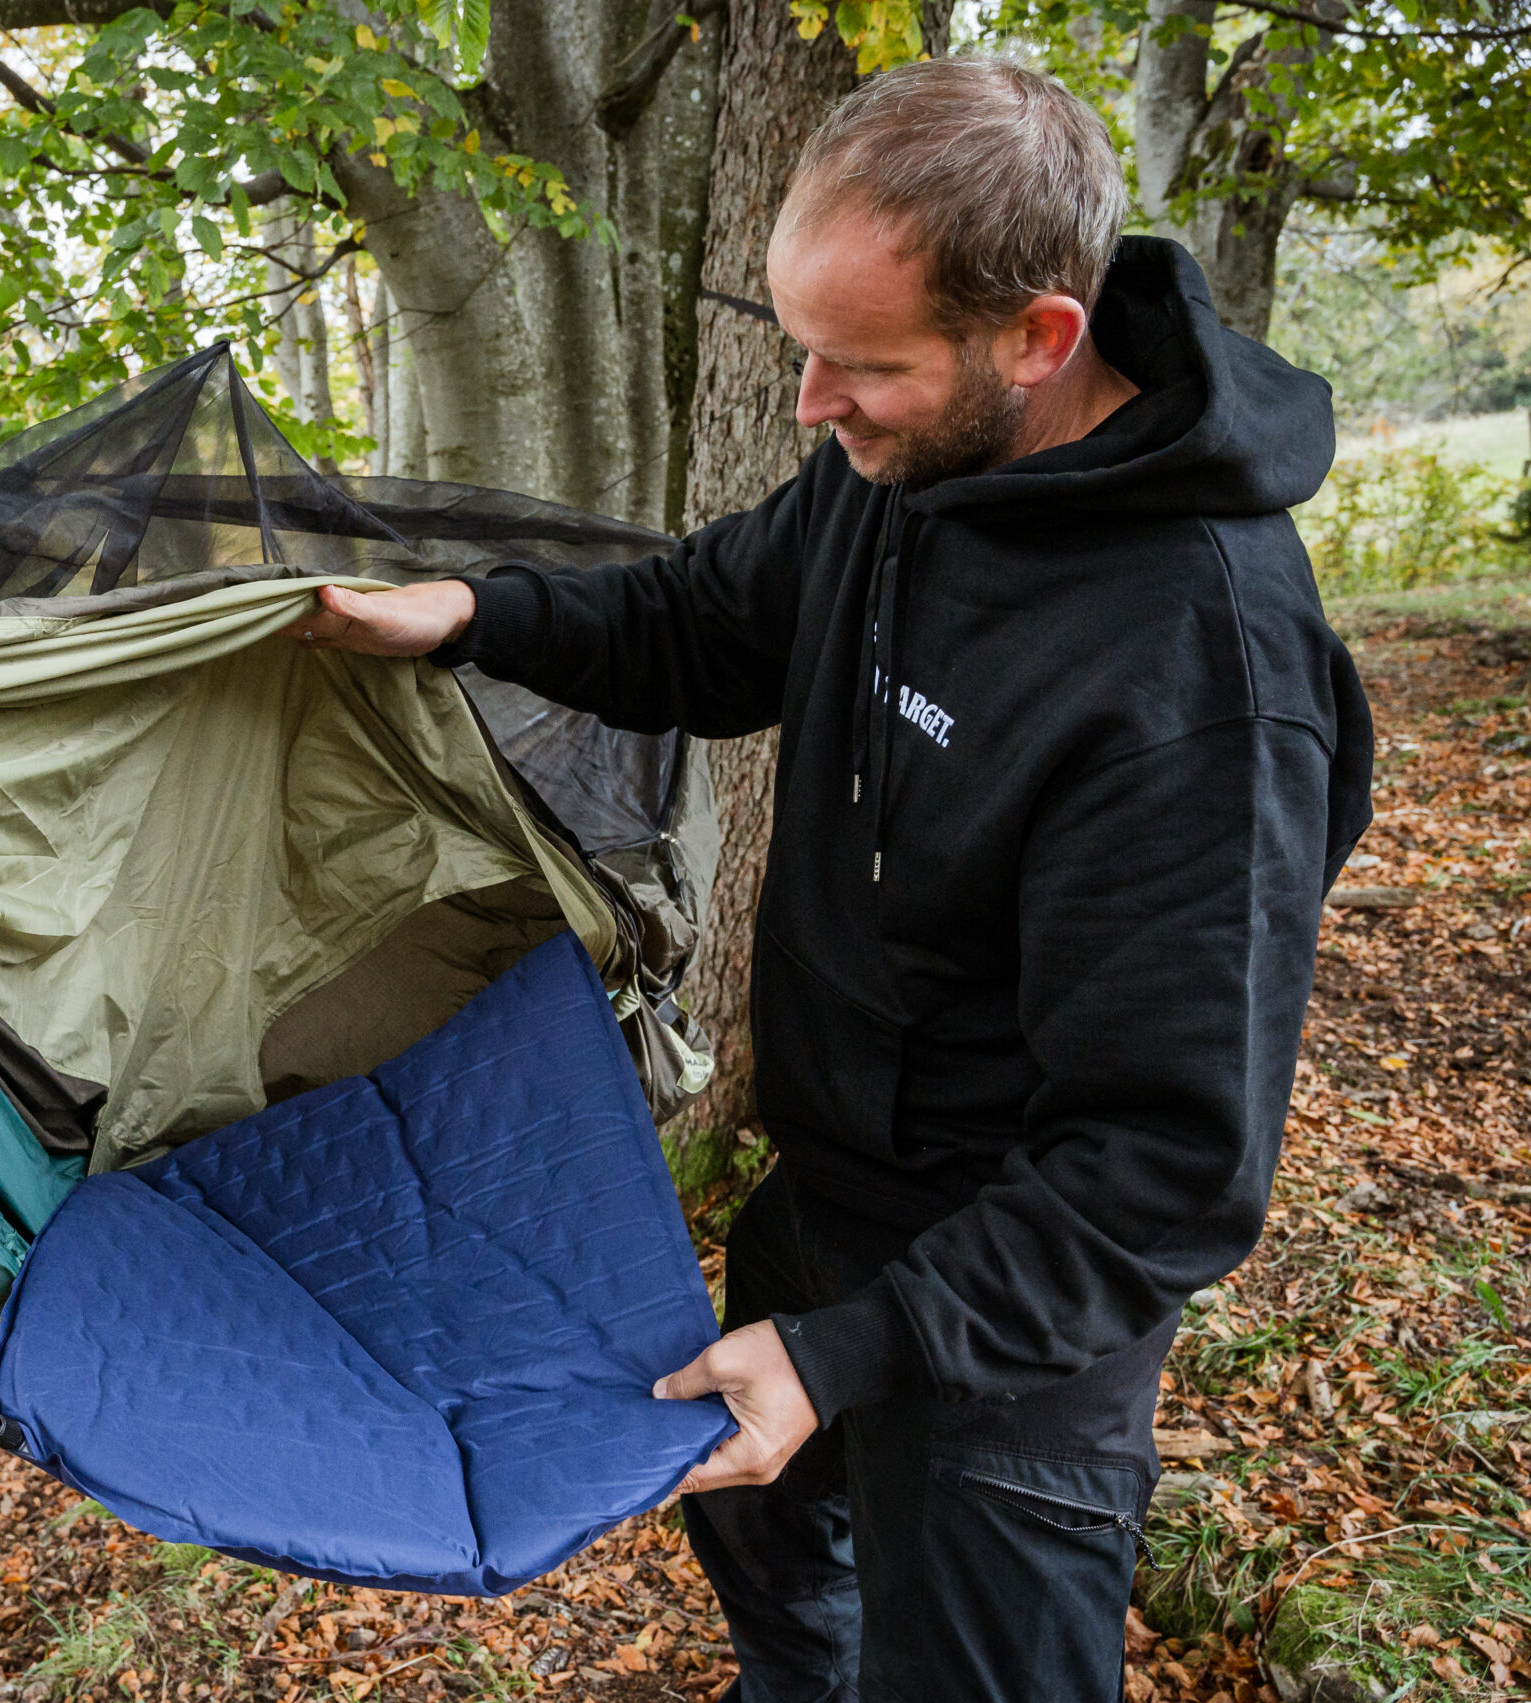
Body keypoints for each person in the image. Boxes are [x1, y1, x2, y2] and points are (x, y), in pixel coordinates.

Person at [287, 55, 1374, 1703]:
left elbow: (1165, 1167)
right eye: (805, 351)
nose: (812, 404)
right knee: (780, 1569)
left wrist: (851, 1354)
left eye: (864, 365)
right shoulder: (905, 470)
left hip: (1015, 1312)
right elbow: (710, 624)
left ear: (1040, 341)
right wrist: (472, 615)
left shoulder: (1201, 678)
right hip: (827, 1200)